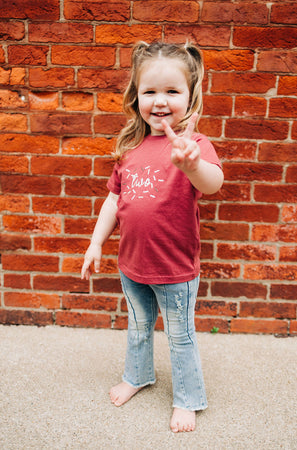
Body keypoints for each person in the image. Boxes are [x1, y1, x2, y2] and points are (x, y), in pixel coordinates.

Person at [81, 41, 224, 433]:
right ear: (136, 95)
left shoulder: (193, 146)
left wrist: (193, 166)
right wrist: (96, 243)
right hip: (132, 265)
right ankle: (137, 375)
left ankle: (188, 399)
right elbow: (113, 200)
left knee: (181, 337)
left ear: (190, 95)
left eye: (172, 91)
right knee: (138, 326)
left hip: (174, 268)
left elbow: (212, 184)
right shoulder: (129, 148)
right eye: (150, 91)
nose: (160, 101)